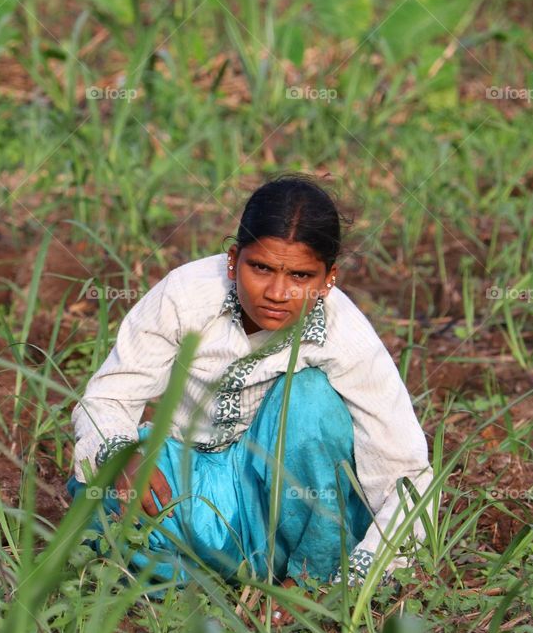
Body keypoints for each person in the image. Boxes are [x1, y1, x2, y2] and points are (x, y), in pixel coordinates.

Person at [66, 173, 433, 599]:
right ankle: (195, 576)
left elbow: (404, 473)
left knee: (311, 400)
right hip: (186, 484)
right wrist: (122, 457)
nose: (278, 292)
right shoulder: (185, 295)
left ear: (328, 278)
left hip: (282, 506)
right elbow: (109, 395)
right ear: (233, 258)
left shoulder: (344, 334)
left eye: (300, 276)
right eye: (261, 268)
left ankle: (306, 582)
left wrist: (359, 575)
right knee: (100, 494)